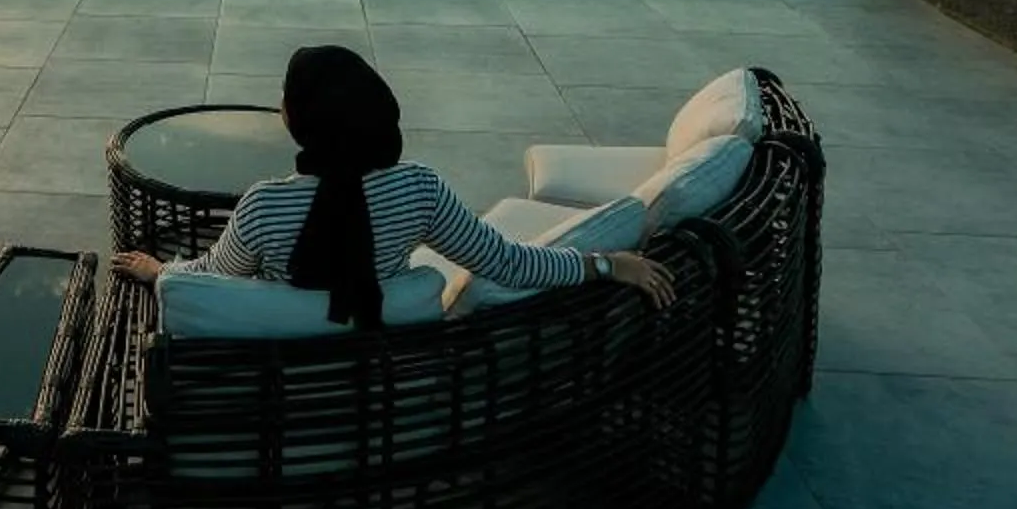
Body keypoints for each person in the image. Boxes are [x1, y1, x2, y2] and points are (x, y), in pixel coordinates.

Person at [111, 43, 673, 326]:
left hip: (278, 379)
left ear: (290, 118)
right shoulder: (417, 193)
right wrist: (607, 264)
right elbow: (510, 263)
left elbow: (212, 280)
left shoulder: (264, 208)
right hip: (378, 373)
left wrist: (162, 272)